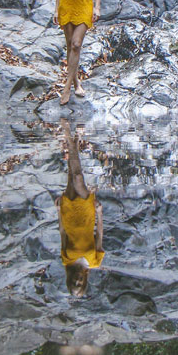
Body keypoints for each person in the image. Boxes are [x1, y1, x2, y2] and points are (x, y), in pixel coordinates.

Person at [56, 120, 104, 297]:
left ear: (69, 280)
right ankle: (70, 136)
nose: (77, 280)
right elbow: (99, 235)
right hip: (86, 215)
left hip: (68, 215)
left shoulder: (66, 260)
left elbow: (62, 233)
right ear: (85, 281)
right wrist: (100, 213)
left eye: (74, 282)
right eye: (80, 283)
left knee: (70, 176)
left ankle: (74, 140)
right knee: (78, 177)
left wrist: (58, 211)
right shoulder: (94, 262)